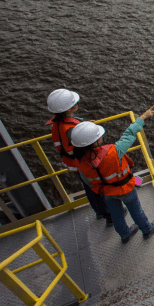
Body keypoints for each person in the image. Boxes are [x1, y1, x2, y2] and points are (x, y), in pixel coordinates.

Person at [70, 106, 154, 244]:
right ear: (95, 142)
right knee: (136, 211)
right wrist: (142, 117)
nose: (101, 137)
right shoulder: (113, 151)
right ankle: (147, 229)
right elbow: (129, 134)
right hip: (125, 189)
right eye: (99, 136)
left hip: (107, 192)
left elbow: (89, 181)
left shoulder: (80, 161)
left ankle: (125, 235)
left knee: (117, 215)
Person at [46, 88, 114, 225]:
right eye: (74, 102)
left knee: (89, 189)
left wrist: (83, 125)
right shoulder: (69, 129)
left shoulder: (57, 125)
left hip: (73, 164)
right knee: (97, 189)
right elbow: (80, 146)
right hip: (83, 164)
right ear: (70, 108)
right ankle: (108, 215)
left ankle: (99, 212)